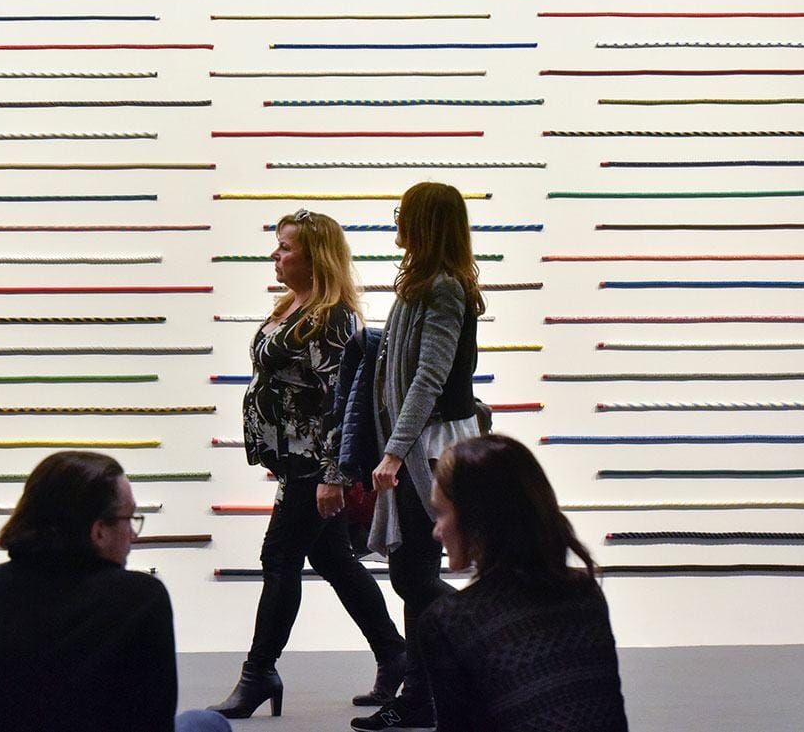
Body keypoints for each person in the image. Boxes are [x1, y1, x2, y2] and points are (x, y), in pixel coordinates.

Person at [209, 210, 406, 719]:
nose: (275, 255)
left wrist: (330, 474)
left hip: (314, 467)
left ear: (315, 255)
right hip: (294, 462)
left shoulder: (333, 316)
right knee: (332, 559)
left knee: (279, 559)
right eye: (277, 246)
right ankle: (395, 654)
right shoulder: (292, 306)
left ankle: (259, 673)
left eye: (286, 248)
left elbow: (341, 401)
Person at [0, 451, 230, 732]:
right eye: (129, 520)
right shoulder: (138, 599)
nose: (133, 536)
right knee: (209, 724)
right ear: (99, 531)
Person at [353, 182, 485, 732]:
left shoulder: (443, 289)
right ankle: (419, 698)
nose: (396, 220)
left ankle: (487, 624)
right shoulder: (420, 286)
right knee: (412, 571)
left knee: (412, 575)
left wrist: (393, 451)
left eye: (403, 213)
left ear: (424, 221)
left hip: (430, 449)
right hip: (418, 446)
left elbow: (428, 379)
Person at [419, 435, 629, 732]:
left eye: (441, 513)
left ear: (477, 518)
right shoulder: (584, 592)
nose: (437, 531)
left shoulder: (450, 621)